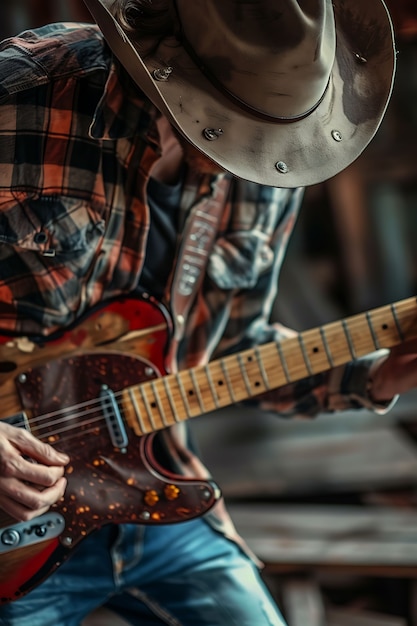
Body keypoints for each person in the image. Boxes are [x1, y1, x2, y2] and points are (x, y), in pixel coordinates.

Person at [0, 1, 414, 624]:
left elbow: (228, 347)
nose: (260, 155)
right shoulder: (21, 99)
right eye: (234, 120)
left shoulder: (276, 157)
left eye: (272, 129)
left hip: (153, 493)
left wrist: (377, 376)